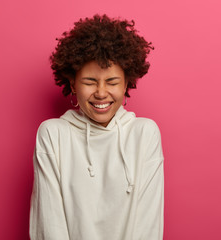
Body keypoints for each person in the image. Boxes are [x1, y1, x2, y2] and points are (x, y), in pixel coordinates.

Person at [29, 14, 164, 240]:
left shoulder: (144, 133)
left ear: (127, 84)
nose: (101, 93)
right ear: (73, 84)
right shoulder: (53, 134)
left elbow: (149, 223)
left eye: (111, 82)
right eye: (90, 82)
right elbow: (49, 223)